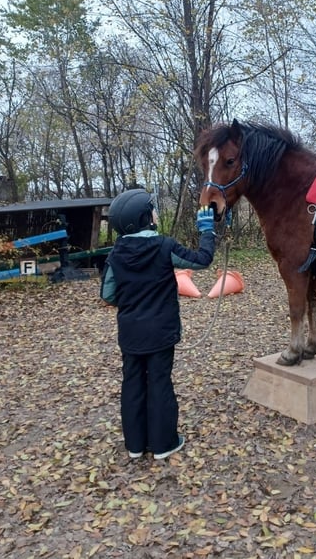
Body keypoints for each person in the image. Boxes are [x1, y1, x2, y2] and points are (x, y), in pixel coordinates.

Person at [100, 188, 216, 460]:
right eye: (152, 209)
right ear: (145, 218)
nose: (155, 213)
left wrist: (133, 302)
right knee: (160, 382)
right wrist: (207, 232)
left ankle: (135, 445)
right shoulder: (164, 246)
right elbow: (202, 260)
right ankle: (164, 444)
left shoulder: (116, 254)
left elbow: (107, 294)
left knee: (132, 383)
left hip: (130, 333)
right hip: (161, 332)